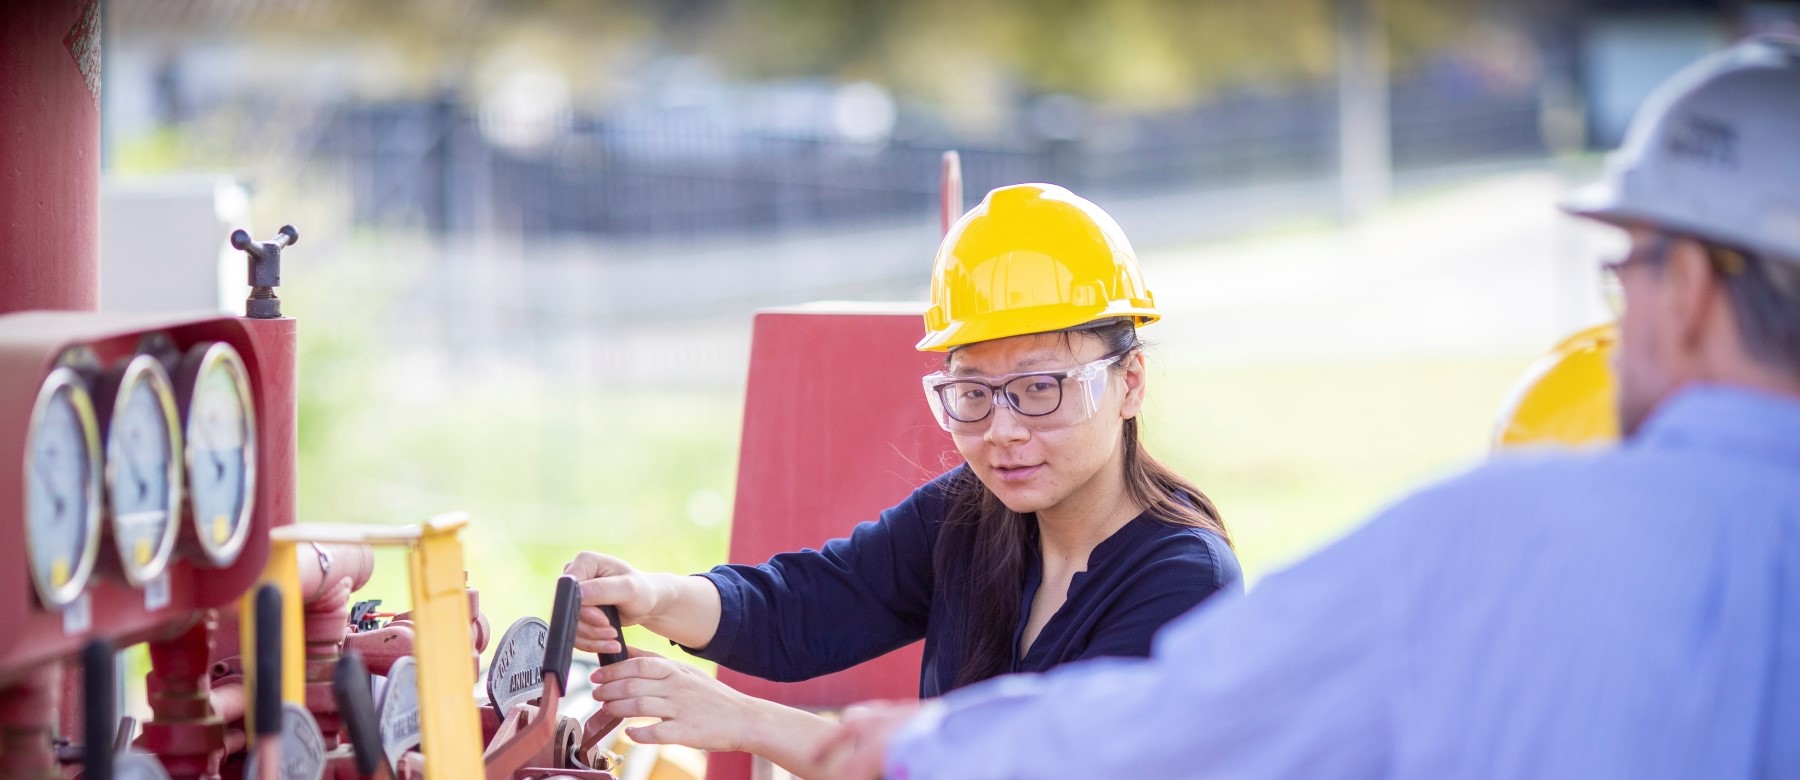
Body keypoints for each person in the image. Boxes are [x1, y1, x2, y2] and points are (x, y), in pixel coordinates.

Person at [821, 36, 1800, 779]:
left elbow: (1192, 723)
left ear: (1697, 292)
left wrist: (936, 741)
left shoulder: (1491, 536)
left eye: (1625, 272)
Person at [563, 183, 1242, 778]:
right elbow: (807, 605)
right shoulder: (972, 517)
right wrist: (649, 596)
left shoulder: (1185, 582)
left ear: (1129, 383)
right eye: (972, 392)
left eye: (1040, 388)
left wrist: (747, 720)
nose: (1001, 431)